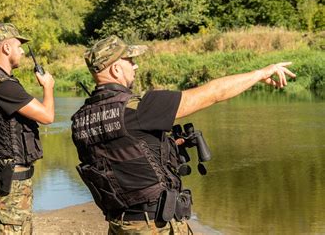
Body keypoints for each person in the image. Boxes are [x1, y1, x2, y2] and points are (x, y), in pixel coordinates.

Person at [70, 35, 296, 234]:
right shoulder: (137, 108)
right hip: (154, 225)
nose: (135, 66)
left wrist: (164, 148)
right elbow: (213, 93)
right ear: (116, 69)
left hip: (120, 225)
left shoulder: (80, 120)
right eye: (130, 61)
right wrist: (260, 73)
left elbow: (121, 159)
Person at [0, 23, 54, 234]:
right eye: (19, 46)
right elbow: (47, 116)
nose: (22, 51)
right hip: (13, 178)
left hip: (3, 172)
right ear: (6, 48)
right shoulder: (4, 86)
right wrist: (48, 87)